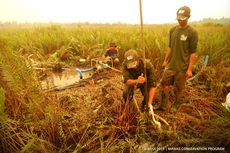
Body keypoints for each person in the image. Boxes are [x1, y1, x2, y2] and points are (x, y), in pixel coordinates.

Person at [157, 6, 198, 111]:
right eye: (179, 19)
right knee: (164, 84)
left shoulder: (192, 32)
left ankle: (176, 105)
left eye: (182, 19)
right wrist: (165, 60)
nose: (180, 21)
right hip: (171, 65)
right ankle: (163, 105)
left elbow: (193, 53)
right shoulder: (173, 30)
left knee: (178, 88)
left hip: (182, 66)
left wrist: (189, 69)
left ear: (188, 17)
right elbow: (170, 47)